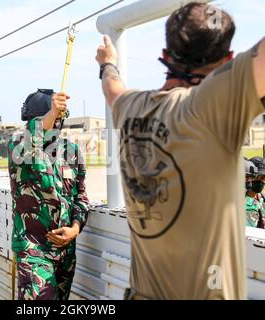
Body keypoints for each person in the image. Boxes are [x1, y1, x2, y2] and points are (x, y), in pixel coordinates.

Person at [96, 2, 265, 299]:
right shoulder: (211, 106)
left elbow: (112, 87)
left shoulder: (131, 108)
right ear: (227, 61)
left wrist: (107, 62)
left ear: (164, 55)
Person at [8, 89, 89, 300]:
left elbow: (81, 197)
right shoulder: (19, 146)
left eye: (59, 117)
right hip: (34, 249)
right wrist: (51, 113)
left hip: (65, 252)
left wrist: (75, 228)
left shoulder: (71, 151)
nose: (56, 123)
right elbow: (32, 137)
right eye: (52, 117)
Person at [247, 157, 265, 228]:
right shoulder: (243, 202)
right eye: (259, 177)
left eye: (264, 178)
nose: (262, 182)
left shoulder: (261, 197)